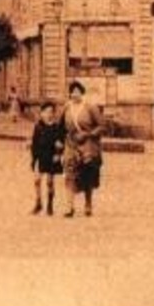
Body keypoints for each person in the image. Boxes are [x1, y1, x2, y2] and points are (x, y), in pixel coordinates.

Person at [61, 80, 104, 217]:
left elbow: (102, 126)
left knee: (87, 174)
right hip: (71, 144)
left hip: (88, 144)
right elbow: (60, 126)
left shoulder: (90, 107)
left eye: (77, 92)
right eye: (72, 92)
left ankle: (88, 204)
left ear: (82, 93)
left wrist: (89, 134)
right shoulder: (66, 108)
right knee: (69, 174)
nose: (74, 94)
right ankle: (70, 207)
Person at [29, 102, 65, 216]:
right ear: (41, 113)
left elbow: (61, 142)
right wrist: (33, 159)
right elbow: (34, 143)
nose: (48, 114)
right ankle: (38, 202)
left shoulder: (56, 127)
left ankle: (50, 204)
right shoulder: (38, 126)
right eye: (46, 112)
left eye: (51, 112)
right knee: (37, 180)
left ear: (54, 114)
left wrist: (58, 154)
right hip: (41, 155)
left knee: (50, 181)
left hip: (51, 156)